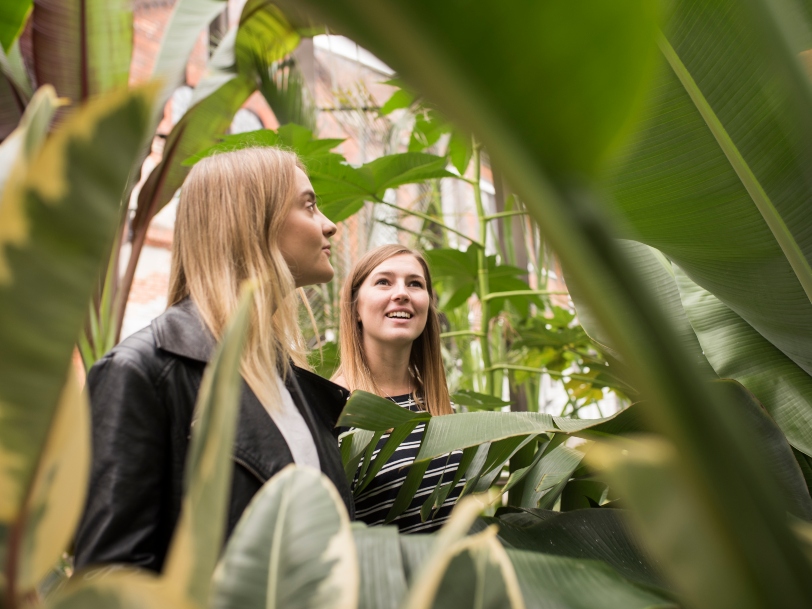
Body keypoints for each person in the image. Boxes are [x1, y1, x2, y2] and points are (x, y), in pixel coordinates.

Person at [74, 147, 352, 573]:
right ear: (251, 220)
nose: (329, 225)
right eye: (309, 204)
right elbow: (111, 576)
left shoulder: (288, 380)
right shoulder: (143, 373)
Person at [333, 244, 463, 533]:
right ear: (355, 308)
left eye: (415, 284)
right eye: (383, 282)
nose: (402, 293)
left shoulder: (440, 405)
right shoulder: (331, 408)